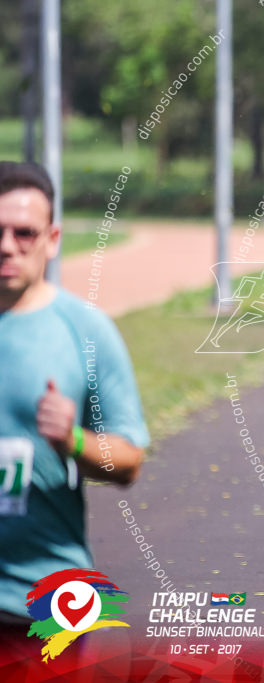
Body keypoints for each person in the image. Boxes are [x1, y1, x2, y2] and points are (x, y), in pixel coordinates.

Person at [0, 162, 149, 652]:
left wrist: (74, 440)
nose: (7, 246)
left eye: (24, 233)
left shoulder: (85, 331)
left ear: (53, 238)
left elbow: (127, 460)